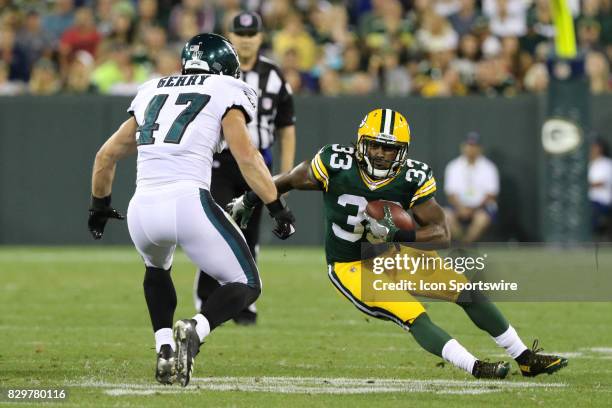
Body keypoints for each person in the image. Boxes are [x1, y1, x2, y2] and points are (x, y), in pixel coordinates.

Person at [226, 108, 568, 379]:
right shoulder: (335, 163)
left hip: (391, 252)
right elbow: (285, 181)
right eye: (373, 144)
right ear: (361, 143)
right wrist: (251, 199)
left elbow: (441, 234)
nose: (378, 153)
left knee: (468, 292)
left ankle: (524, 358)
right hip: (351, 266)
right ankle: (477, 367)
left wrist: (397, 234)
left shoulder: (411, 178)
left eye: (388, 148)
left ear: (401, 152)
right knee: (414, 315)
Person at [88, 33, 296, 387]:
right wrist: (276, 205)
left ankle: (165, 347)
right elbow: (246, 154)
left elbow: (105, 156)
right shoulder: (227, 90)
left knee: (156, 269)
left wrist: (99, 206)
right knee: (247, 283)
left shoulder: (153, 89)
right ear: (226, 69)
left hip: (143, 210)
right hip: (188, 202)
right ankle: (196, 330)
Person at [194, 11, 296, 325]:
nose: (246, 40)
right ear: (231, 36)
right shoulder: (217, 73)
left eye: (252, 35)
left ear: (261, 37)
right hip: (222, 161)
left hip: (259, 160)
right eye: (240, 34)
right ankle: (207, 296)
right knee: (219, 228)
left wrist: (285, 176)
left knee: (250, 233)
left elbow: (286, 127)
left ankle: (244, 303)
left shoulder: (274, 75)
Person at [444, 132, 499, 243]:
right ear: (463, 147)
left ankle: (466, 244)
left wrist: (473, 209)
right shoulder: (453, 166)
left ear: (480, 149)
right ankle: (461, 241)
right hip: (459, 207)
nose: (471, 149)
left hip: (481, 207)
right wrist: (461, 208)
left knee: (481, 218)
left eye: (474, 146)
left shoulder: (489, 167)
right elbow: (450, 194)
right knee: (445, 215)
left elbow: (491, 195)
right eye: (469, 145)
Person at [588, 138, 612, 239]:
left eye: (595, 147)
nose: (592, 149)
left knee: (589, 209)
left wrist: (586, 184)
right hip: (590, 200)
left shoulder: (606, 163)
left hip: (602, 202)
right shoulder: (591, 163)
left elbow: (600, 182)